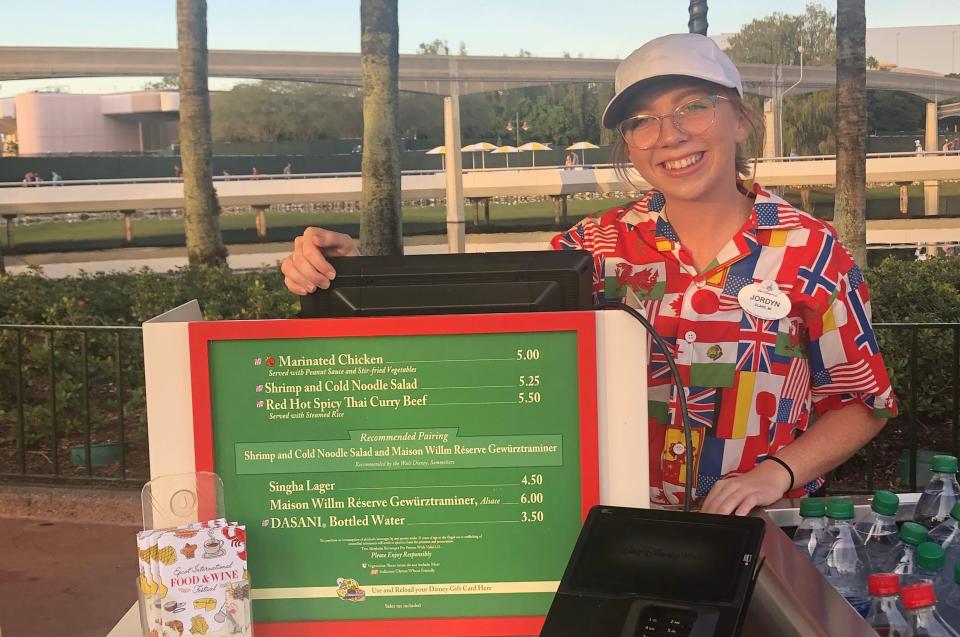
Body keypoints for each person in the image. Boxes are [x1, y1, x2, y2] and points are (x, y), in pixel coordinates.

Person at [279, 33, 898, 516]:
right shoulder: (591, 249)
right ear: (629, 145)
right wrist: (358, 278)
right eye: (642, 121)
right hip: (611, 529)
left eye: (693, 106)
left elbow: (863, 402)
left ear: (739, 120)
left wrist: (774, 476)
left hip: (759, 536)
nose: (669, 134)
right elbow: (472, 348)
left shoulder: (809, 250)